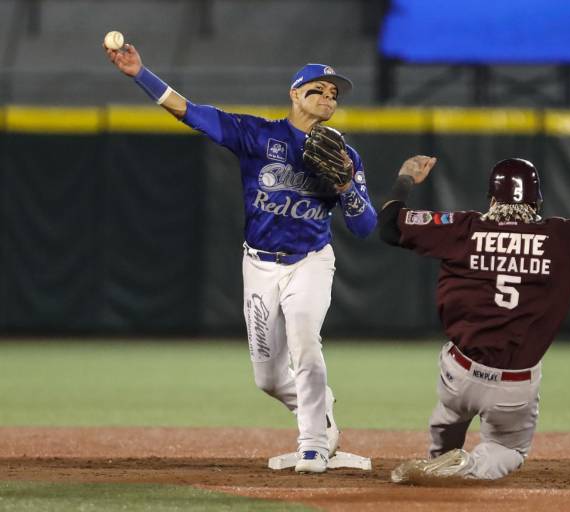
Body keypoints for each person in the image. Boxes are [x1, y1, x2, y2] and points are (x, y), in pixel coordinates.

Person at [105, 43, 377, 473]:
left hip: (310, 261)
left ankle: (313, 446)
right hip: (259, 263)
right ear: (294, 93)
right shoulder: (258, 135)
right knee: (267, 378)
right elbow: (190, 112)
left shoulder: (345, 155)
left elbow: (365, 228)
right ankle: (319, 410)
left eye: (334, 94)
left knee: (306, 344)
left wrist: (346, 186)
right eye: (318, 90)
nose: (328, 97)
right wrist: (141, 73)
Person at [379, 156, 570, 482]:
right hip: (513, 386)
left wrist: (405, 177)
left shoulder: (461, 227)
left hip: (458, 373)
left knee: (449, 414)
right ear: (538, 202)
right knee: (509, 450)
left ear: (491, 199)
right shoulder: (564, 239)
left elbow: (389, 226)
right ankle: (468, 466)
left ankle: (440, 457)